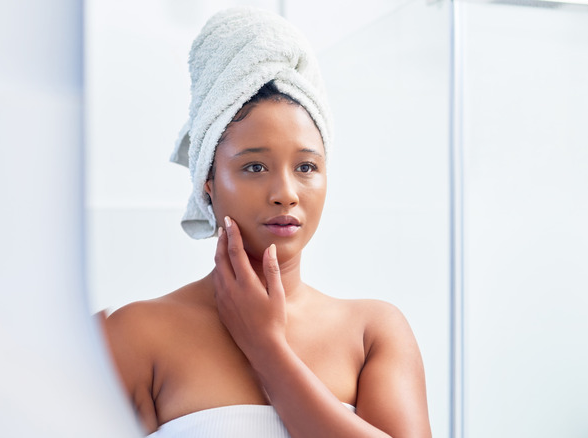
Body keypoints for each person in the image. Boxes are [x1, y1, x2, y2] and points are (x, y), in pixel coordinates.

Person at [104, 7, 431, 437]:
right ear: (207, 180)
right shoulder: (132, 336)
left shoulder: (373, 333)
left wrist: (266, 348)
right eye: (255, 167)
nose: (286, 193)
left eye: (307, 167)